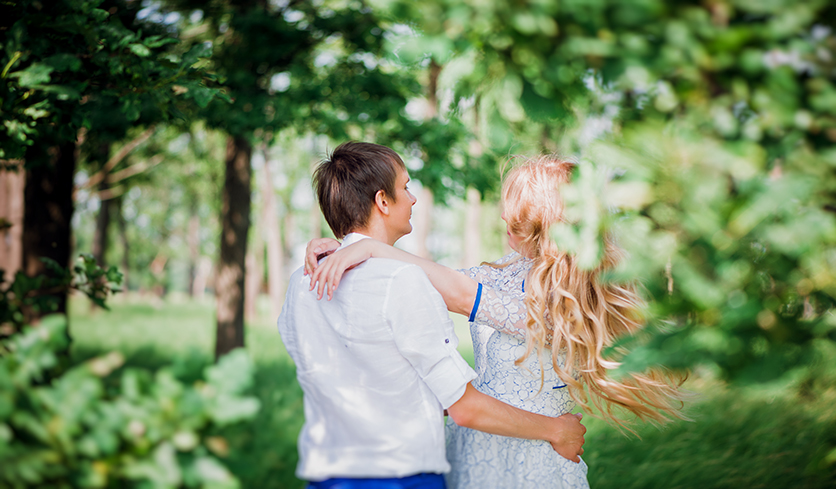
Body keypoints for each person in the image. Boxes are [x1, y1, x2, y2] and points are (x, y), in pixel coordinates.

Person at [306, 155, 688, 489]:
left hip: (533, 459)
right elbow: (431, 279)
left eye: (517, 215)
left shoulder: (569, 295)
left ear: (549, 223)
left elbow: (459, 294)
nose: (504, 217)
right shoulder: (507, 270)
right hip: (472, 447)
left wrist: (370, 249)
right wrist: (343, 247)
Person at [278, 143, 586, 489]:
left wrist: (359, 248)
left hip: (329, 474)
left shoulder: (300, 285)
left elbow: (371, 379)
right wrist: (557, 430)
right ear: (382, 202)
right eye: (406, 187)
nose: (413, 198)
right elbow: (461, 405)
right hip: (406, 475)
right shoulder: (405, 282)